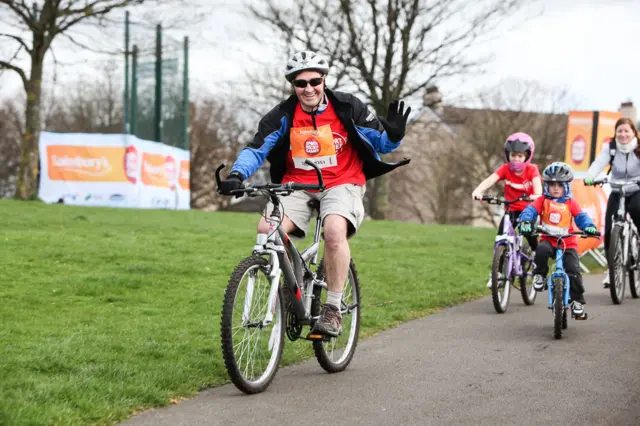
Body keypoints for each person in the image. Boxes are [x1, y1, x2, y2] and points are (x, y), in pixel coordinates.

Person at [218, 51, 411, 337]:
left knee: (334, 232)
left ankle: (332, 309)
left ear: (324, 80)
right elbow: (256, 149)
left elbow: (381, 144)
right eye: (300, 83)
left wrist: (394, 135)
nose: (308, 88)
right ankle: (291, 283)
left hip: (342, 182)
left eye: (314, 81)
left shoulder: (347, 106)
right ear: (293, 86)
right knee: (266, 227)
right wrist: (236, 174)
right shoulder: (283, 115)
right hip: (296, 184)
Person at [519, 162, 598, 320]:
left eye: (559, 185)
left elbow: (581, 216)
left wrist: (588, 226)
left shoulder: (571, 203)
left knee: (573, 270)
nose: (555, 188)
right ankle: (540, 276)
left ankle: (577, 303)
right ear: (546, 186)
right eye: (551, 184)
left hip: (567, 243)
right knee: (540, 250)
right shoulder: (542, 200)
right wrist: (526, 222)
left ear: (566, 187)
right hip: (548, 240)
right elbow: (530, 210)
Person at [471, 132, 542, 288]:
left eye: (520, 156)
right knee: (501, 238)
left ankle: (538, 259)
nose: (516, 159)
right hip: (511, 209)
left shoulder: (532, 170)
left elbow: (537, 185)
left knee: (529, 232)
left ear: (527, 156)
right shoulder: (505, 169)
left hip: (528, 209)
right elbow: (491, 179)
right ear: (507, 155)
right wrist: (478, 191)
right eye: (513, 155)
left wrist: (537, 195)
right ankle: (497, 273)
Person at [585, 117, 640, 288]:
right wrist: (589, 176)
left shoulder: (638, 148)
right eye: (620, 131)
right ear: (615, 133)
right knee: (609, 229)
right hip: (617, 190)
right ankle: (612, 271)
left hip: (636, 189)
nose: (623, 134)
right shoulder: (611, 148)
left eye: (626, 131)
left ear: (633, 133)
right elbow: (598, 163)